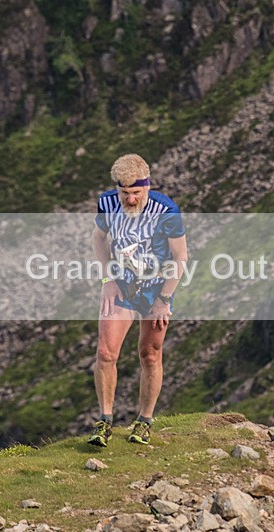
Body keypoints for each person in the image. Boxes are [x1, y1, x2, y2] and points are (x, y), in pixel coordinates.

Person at [88, 154, 188, 447]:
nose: (130, 200)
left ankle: (144, 422)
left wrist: (164, 299)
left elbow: (180, 257)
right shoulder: (107, 204)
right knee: (106, 352)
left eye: (136, 193)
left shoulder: (166, 210)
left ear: (147, 187)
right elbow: (98, 239)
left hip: (157, 289)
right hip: (122, 287)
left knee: (150, 354)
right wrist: (107, 281)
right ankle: (104, 421)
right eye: (124, 193)